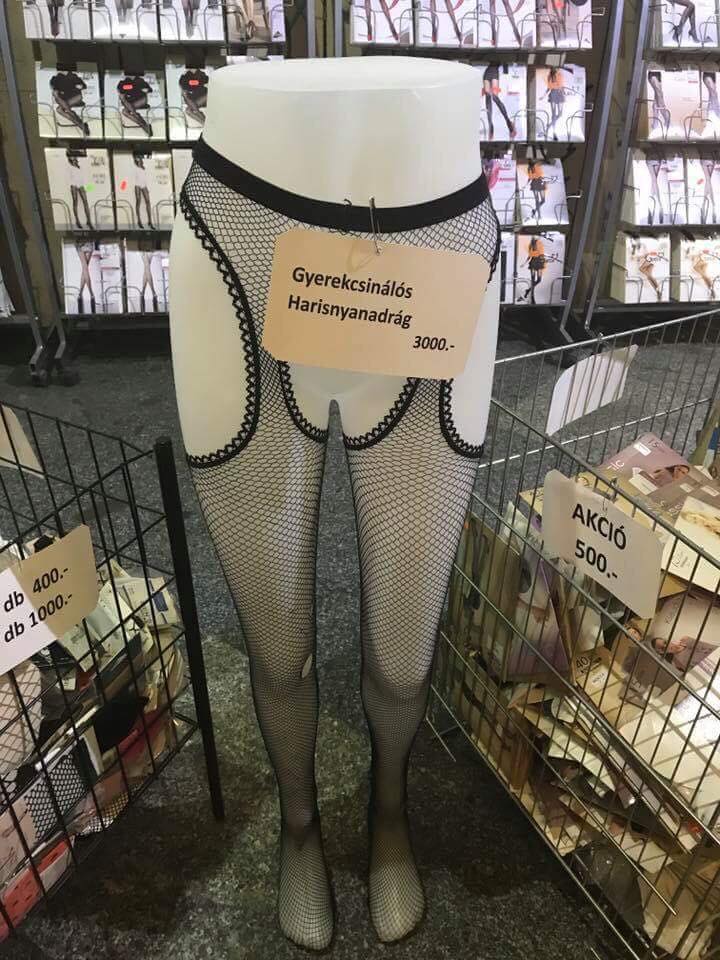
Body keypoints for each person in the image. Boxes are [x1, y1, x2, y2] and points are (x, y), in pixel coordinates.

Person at [50, 70, 90, 137]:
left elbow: (84, 86)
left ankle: (72, 114)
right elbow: (54, 88)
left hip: (76, 98)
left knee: (60, 109)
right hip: (64, 100)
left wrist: (81, 86)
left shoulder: (73, 76)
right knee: (59, 109)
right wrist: (56, 91)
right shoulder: (56, 78)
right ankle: (81, 125)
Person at [482, 64, 516, 140]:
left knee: (494, 97)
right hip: (487, 73)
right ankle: (491, 126)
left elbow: (505, 65)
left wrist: (506, 71)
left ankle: (509, 123)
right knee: (488, 97)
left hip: (495, 72)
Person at [67, 155, 92, 229]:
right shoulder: (69, 167)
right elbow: (67, 178)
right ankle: (77, 221)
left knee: (85, 201)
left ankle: (89, 221)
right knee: (75, 202)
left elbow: (83, 177)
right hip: (73, 184)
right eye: (71, 158)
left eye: (74, 157)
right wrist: (71, 185)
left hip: (80, 184)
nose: (73, 158)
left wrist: (86, 186)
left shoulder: (79, 166)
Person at [648, 70, 671, 139]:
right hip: (653, 75)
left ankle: (657, 123)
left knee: (658, 99)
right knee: (659, 98)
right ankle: (666, 121)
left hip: (656, 74)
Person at [133, 155, 154, 229]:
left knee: (148, 201)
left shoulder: (144, 168)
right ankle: (139, 221)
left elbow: (145, 178)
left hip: (143, 185)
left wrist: (147, 187)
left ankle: (150, 221)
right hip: (137, 185)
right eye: (137, 159)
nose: (138, 160)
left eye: (139, 158)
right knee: (138, 201)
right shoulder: (134, 168)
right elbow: (132, 178)